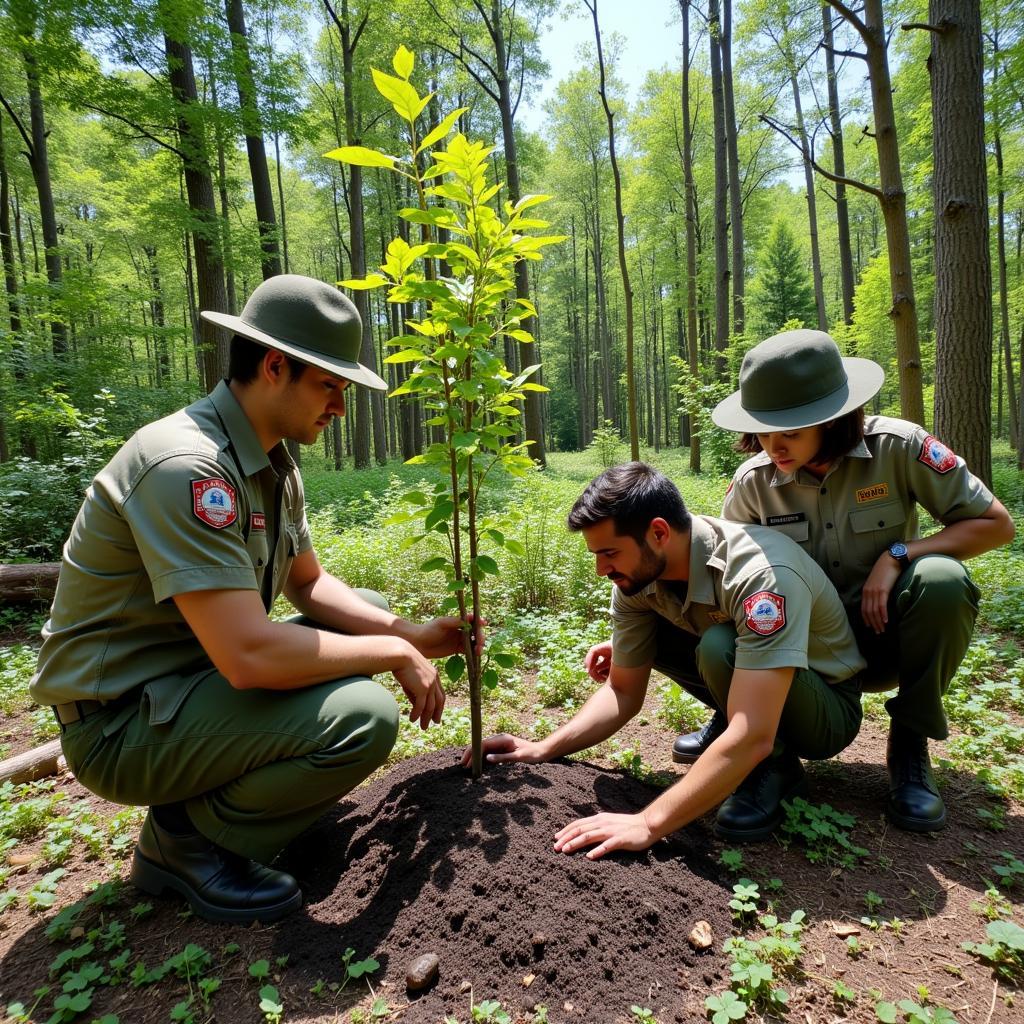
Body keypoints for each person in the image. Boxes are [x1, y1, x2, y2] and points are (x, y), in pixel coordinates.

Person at [31, 274, 477, 923]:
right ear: (274, 366)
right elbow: (245, 656)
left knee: (369, 612)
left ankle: (206, 813)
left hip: (184, 687)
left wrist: (409, 632)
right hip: (119, 724)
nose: (340, 408)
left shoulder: (272, 461)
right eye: (330, 386)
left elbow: (310, 584)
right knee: (364, 715)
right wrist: (387, 654)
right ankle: (186, 841)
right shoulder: (188, 466)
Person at [681, 328, 1015, 832]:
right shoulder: (753, 484)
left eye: (790, 431)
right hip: (806, 654)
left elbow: (996, 524)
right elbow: (730, 583)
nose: (774, 446)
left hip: (889, 636)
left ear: (832, 418)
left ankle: (909, 745)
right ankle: (765, 758)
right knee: (720, 638)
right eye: (763, 430)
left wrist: (901, 553)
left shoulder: (898, 447)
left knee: (942, 579)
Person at [464, 462, 867, 855]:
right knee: (697, 641)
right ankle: (731, 735)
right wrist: (543, 748)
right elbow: (622, 689)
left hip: (826, 709)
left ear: (658, 532)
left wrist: (648, 822)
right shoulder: (638, 578)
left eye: (609, 553)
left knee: (718, 646)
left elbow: (753, 734)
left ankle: (775, 770)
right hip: (763, 685)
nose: (600, 569)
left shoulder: (758, 577)